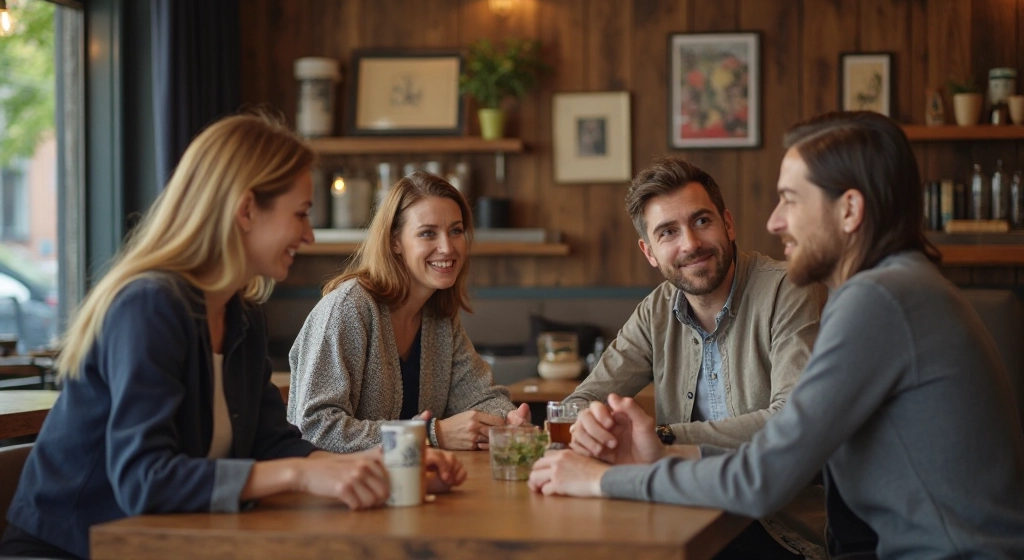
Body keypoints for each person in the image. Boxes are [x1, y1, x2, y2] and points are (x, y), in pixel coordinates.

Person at [529, 111, 1024, 559]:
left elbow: (763, 477)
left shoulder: (878, 299)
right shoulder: (899, 286)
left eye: (790, 199)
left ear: (849, 210)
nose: (774, 221)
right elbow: (783, 459)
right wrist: (652, 454)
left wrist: (606, 480)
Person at [0, 113, 465, 560]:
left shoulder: (242, 315)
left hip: (167, 544)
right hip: (72, 550)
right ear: (246, 210)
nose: (309, 235)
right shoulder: (150, 306)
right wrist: (299, 476)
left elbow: (275, 444)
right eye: (301, 214)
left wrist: (390, 465)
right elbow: (144, 479)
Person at [564, 157, 828, 559]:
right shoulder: (655, 311)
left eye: (701, 221)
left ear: (728, 224)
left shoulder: (790, 290)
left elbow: (791, 422)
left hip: (778, 529)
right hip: (685, 516)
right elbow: (583, 400)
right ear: (650, 252)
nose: (690, 244)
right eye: (668, 232)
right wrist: (589, 425)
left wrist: (663, 439)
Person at [288, 172, 530, 452]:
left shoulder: (439, 316)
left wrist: (507, 420)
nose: (447, 247)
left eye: (456, 231)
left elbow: (481, 397)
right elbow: (315, 427)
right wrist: (429, 434)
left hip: (411, 476)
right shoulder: (349, 307)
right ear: (395, 241)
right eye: (428, 233)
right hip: (335, 479)